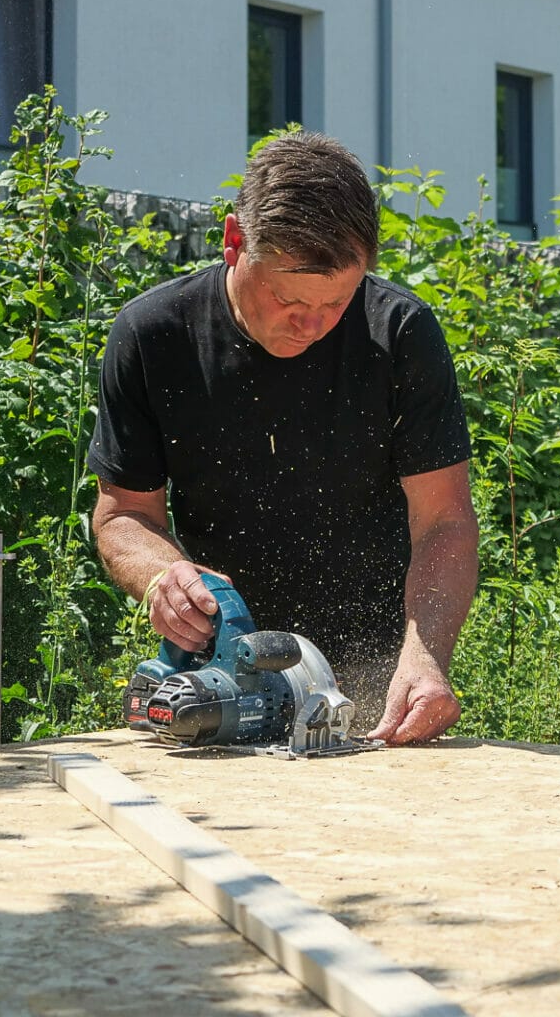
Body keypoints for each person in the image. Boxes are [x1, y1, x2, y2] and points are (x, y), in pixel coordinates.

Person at [87, 130, 479, 745]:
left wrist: (425, 657)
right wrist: (167, 578)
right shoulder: (154, 334)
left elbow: (445, 522)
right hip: (218, 678)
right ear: (233, 242)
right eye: (288, 298)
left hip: (375, 682)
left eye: (337, 302)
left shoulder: (399, 333)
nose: (312, 325)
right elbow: (122, 515)